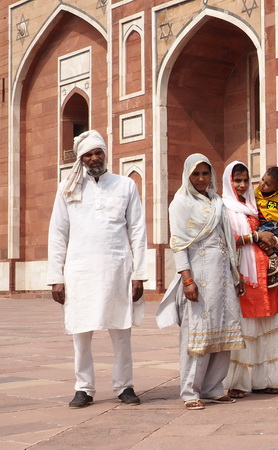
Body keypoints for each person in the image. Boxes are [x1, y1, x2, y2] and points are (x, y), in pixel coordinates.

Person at [47, 130, 147, 408]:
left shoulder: (125, 185)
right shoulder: (66, 187)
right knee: (81, 332)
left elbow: (137, 230)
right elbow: (58, 232)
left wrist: (139, 274)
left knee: (121, 330)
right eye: (88, 154)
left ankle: (125, 386)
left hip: (117, 269)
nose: (94, 158)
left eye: (98, 152)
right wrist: (56, 277)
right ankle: (84, 387)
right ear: (81, 158)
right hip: (80, 270)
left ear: (105, 154)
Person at [156, 154, 246, 410]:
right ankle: (190, 391)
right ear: (188, 175)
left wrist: (236, 274)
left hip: (223, 277)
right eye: (196, 174)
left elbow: (227, 241)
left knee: (223, 332)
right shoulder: (181, 202)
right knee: (197, 334)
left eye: (205, 174)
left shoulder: (218, 202)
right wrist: (187, 280)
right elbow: (179, 244)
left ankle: (213, 387)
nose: (201, 179)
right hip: (198, 275)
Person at [221, 162, 278, 398]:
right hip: (242, 275)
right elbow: (223, 241)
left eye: (245, 180)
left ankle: (267, 379)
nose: (242, 185)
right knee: (243, 329)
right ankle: (238, 382)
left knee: (267, 326)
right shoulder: (223, 207)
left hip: (264, 275)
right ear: (228, 182)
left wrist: (270, 239)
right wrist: (254, 236)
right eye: (237, 181)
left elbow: (271, 232)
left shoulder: (255, 206)